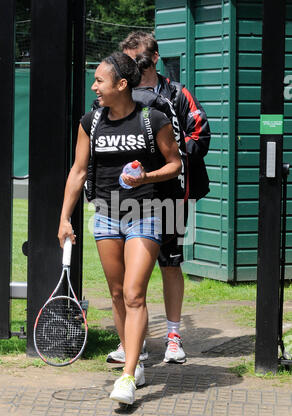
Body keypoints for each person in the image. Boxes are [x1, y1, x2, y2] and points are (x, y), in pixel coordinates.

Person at [57, 52, 182, 405]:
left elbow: (174, 164)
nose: (94, 86)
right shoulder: (90, 122)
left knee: (133, 293)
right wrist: (65, 218)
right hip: (107, 215)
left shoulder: (152, 119)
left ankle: (127, 377)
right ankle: (134, 359)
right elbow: (79, 171)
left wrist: (146, 176)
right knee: (115, 294)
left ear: (121, 84)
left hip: (146, 212)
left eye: (100, 81)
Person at [106, 31, 211, 365]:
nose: (128, 67)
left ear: (152, 58)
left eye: (133, 60)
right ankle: (130, 342)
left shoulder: (177, 94)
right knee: (126, 275)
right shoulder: (120, 95)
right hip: (127, 197)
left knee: (170, 262)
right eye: (124, 61)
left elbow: (200, 134)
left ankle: (173, 337)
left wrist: (168, 153)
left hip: (170, 194)